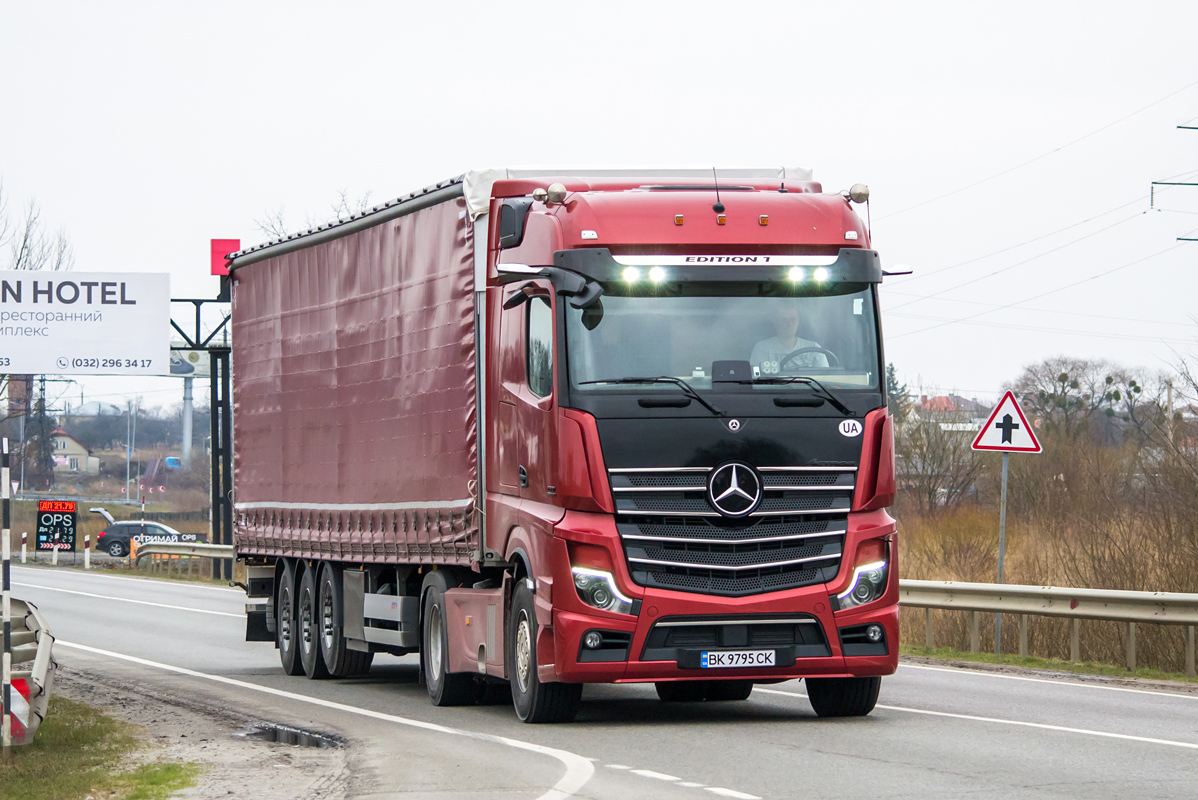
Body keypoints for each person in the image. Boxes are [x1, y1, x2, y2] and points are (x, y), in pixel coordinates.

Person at [750, 304, 828, 374]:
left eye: (793, 320)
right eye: (784, 320)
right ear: (775, 322)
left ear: (798, 322)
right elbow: (755, 379)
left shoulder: (814, 349)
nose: (789, 324)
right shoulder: (762, 348)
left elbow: (825, 380)